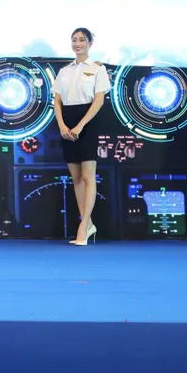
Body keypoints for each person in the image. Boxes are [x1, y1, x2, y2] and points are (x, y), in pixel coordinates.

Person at [52, 28, 111, 246]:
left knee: (88, 177)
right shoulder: (64, 71)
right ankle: (88, 224)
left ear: (90, 43)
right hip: (67, 123)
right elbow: (57, 101)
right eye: (74, 40)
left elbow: (99, 100)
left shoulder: (97, 68)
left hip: (87, 122)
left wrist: (80, 125)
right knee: (76, 177)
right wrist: (62, 125)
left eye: (82, 40)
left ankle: (83, 226)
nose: (77, 44)